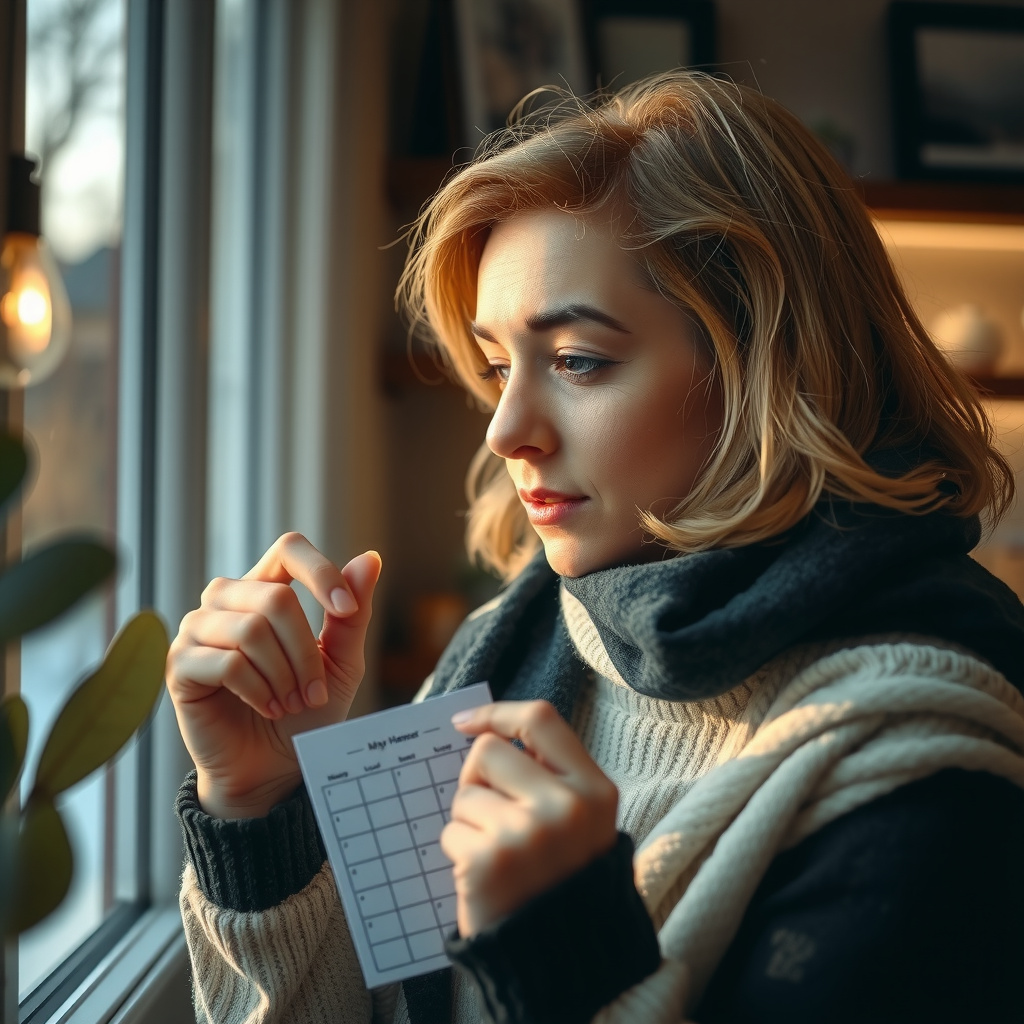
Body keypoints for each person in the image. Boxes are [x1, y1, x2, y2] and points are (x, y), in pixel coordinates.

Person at [168, 70, 1024, 1024]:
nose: (503, 429)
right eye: (497, 365)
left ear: (770, 367)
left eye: (577, 360)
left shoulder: (930, 777)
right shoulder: (509, 640)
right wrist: (264, 806)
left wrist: (563, 962)